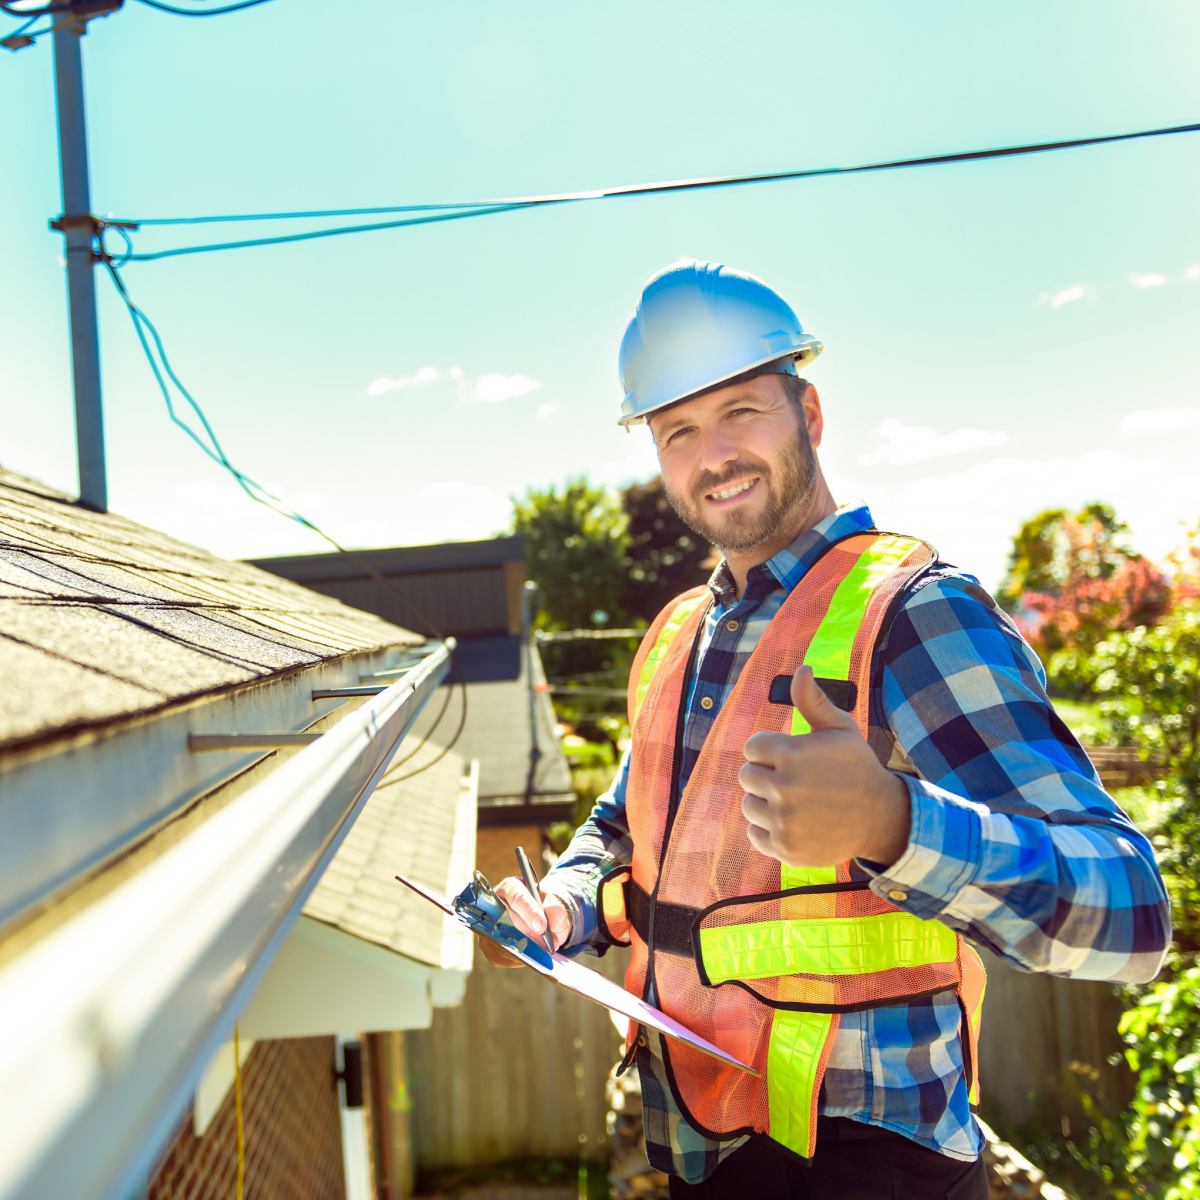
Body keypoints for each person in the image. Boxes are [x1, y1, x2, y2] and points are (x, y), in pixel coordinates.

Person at [482, 259, 1171, 1199]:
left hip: (869, 1165)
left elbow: (1130, 914)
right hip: (701, 1145)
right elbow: (622, 830)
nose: (713, 453)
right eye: (678, 429)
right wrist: (558, 910)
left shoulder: (916, 614)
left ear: (808, 415)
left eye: (741, 413)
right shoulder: (681, 633)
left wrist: (895, 825)